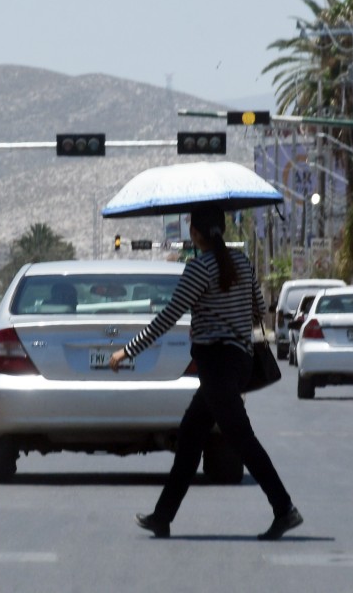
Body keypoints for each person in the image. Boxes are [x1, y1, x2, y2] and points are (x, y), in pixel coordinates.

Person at [109, 206, 302, 541]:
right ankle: (163, 516)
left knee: (241, 439)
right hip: (238, 361)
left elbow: (168, 317)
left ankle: (284, 508)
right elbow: (258, 306)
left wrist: (128, 350)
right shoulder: (242, 263)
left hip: (217, 365)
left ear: (195, 234)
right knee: (190, 439)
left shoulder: (198, 269)